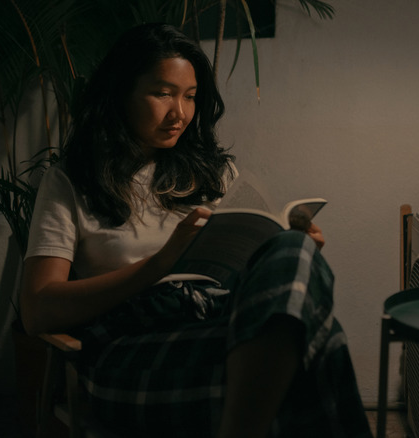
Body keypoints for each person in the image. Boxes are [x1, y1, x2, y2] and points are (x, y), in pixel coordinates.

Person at [20, 23, 372, 438]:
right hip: (129, 347)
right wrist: (161, 263)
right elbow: (37, 309)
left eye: (189, 97)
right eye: (162, 93)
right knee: (311, 347)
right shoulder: (70, 181)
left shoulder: (214, 173)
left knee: (292, 251)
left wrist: (288, 249)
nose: (180, 114)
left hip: (220, 319)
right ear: (120, 92)